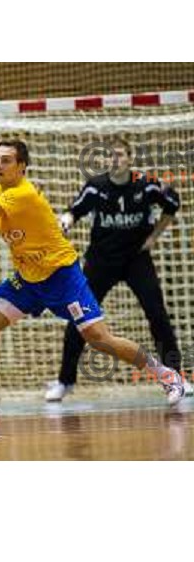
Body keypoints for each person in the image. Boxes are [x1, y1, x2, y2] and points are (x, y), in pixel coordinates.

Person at [0, 139, 185, 422]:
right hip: (28, 279)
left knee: (99, 338)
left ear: (21, 167)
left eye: (5, 160)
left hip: (62, 276)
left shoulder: (22, 194)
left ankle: (165, 373)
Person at [46, 137, 192, 401]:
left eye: (120, 155)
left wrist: (154, 237)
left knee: (157, 315)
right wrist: (64, 222)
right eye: (110, 155)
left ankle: (176, 377)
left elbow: (172, 204)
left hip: (136, 260)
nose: (115, 159)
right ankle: (64, 382)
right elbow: (73, 212)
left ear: (129, 158)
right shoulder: (96, 187)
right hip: (101, 262)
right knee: (80, 318)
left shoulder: (146, 185)